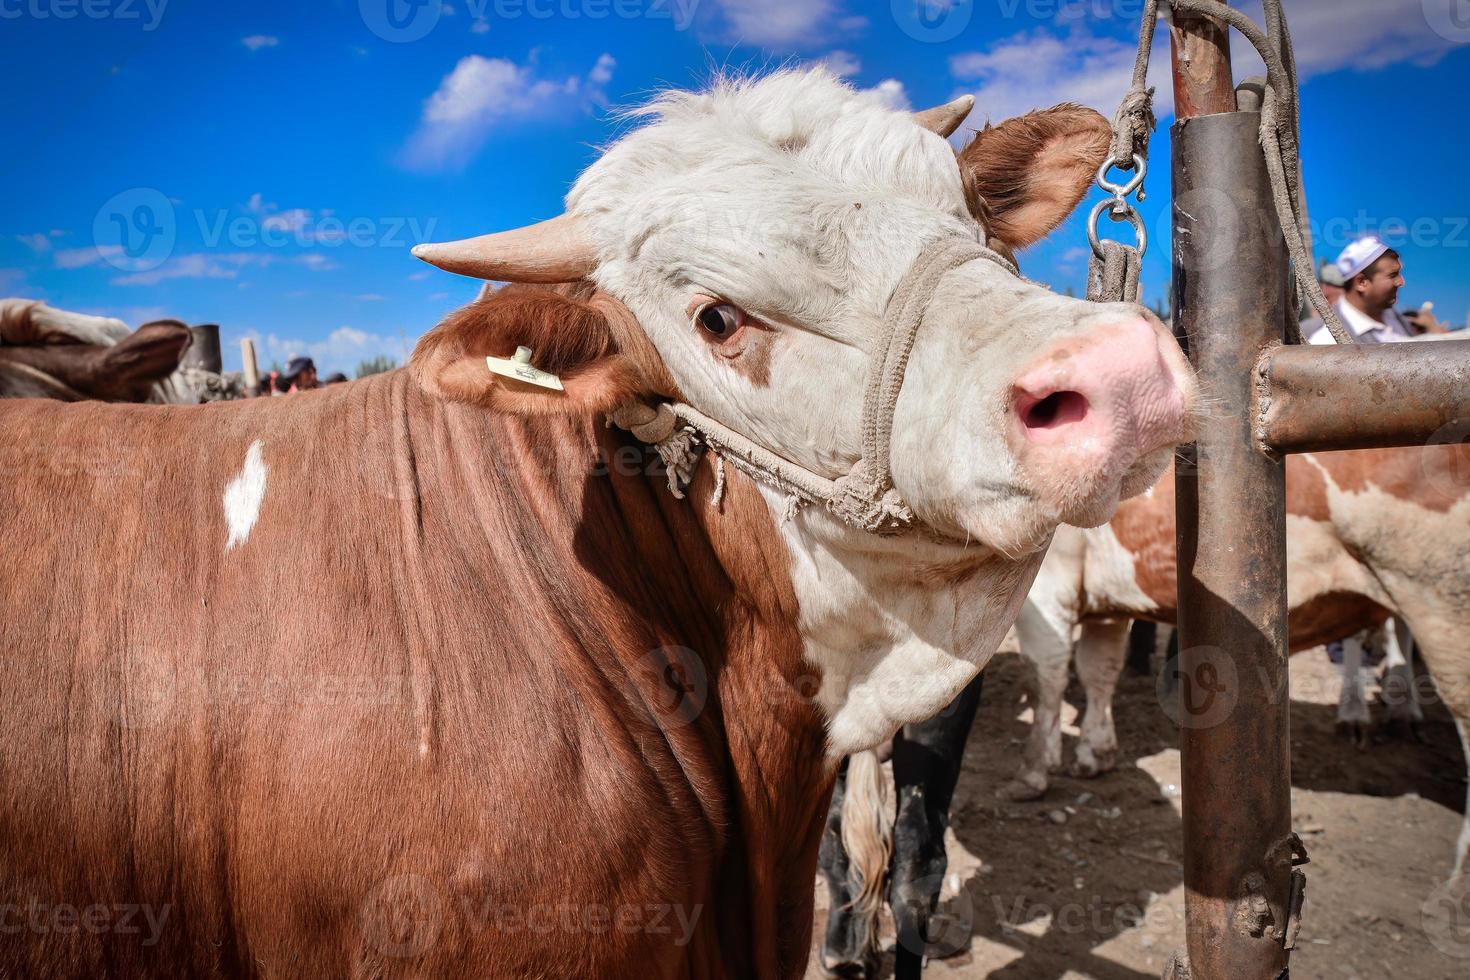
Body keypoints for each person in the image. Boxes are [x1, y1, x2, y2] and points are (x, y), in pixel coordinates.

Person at [1306, 235, 1412, 345]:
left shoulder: (1393, 316)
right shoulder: (1328, 342)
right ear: (1361, 282)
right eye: (1392, 275)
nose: (1401, 282)